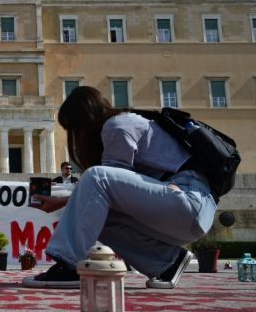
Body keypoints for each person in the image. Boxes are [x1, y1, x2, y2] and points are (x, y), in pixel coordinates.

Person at [24, 86, 215, 290]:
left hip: (189, 200)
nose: (76, 136)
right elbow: (101, 196)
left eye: (74, 128)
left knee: (96, 176)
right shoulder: (118, 126)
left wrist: (62, 201)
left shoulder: (117, 125)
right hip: (179, 213)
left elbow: (101, 182)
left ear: (85, 119)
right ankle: (168, 262)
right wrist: (60, 202)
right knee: (100, 216)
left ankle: (70, 264)